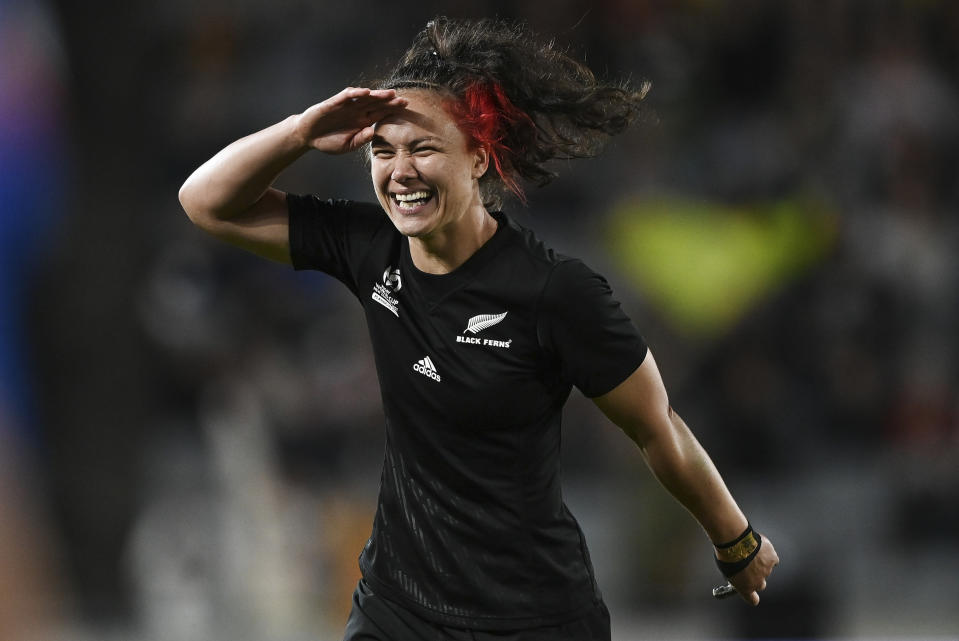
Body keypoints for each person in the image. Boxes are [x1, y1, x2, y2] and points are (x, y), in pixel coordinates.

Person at [178, 17, 778, 641]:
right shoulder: (368, 247)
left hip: (532, 616)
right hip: (398, 609)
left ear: (480, 158)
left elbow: (657, 428)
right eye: (382, 150)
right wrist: (301, 132)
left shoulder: (555, 292)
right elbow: (204, 201)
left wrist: (735, 539)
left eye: (424, 148)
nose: (399, 171)